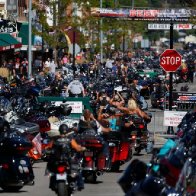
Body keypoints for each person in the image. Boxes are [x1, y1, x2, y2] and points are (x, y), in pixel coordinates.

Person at [47, 124, 86, 191]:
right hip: (68, 160)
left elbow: (48, 148)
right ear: (67, 131)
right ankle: (80, 185)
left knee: (50, 169)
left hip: (57, 161)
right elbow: (77, 148)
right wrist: (83, 148)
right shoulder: (70, 139)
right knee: (78, 170)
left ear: (59, 131)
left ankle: (52, 184)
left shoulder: (55, 139)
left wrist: (46, 151)